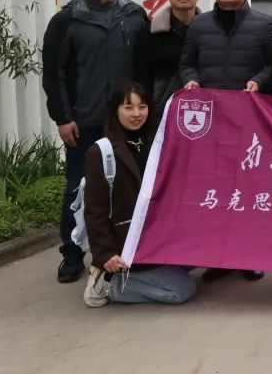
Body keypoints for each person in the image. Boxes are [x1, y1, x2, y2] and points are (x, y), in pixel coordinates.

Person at [42, 0, 149, 284]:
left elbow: (144, 71)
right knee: (78, 187)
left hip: (127, 120)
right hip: (84, 120)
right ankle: (72, 253)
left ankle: (126, 250)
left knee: (130, 185)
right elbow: (54, 73)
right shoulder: (66, 20)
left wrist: (143, 113)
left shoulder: (134, 16)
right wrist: (62, 117)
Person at [180, 0, 272, 281]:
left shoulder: (264, 24)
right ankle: (219, 257)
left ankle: (250, 255)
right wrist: (192, 80)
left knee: (248, 188)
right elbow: (186, 63)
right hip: (210, 123)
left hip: (250, 122)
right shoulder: (199, 26)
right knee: (216, 189)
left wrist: (259, 81)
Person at [82, 82, 195, 307]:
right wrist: (105, 254)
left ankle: (133, 277)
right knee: (181, 289)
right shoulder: (101, 152)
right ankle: (108, 283)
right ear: (115, 111)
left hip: (155, 239)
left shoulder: (157, 143)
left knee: (192, 259)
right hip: (126, 244)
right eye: (128, 107)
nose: (136, 114)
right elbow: (95, 211)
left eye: (142, 107)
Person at [141, 0, 203, 110]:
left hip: (202, 109)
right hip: (163, 112)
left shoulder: (209, 31)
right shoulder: (152, 32)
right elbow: (143, 77)